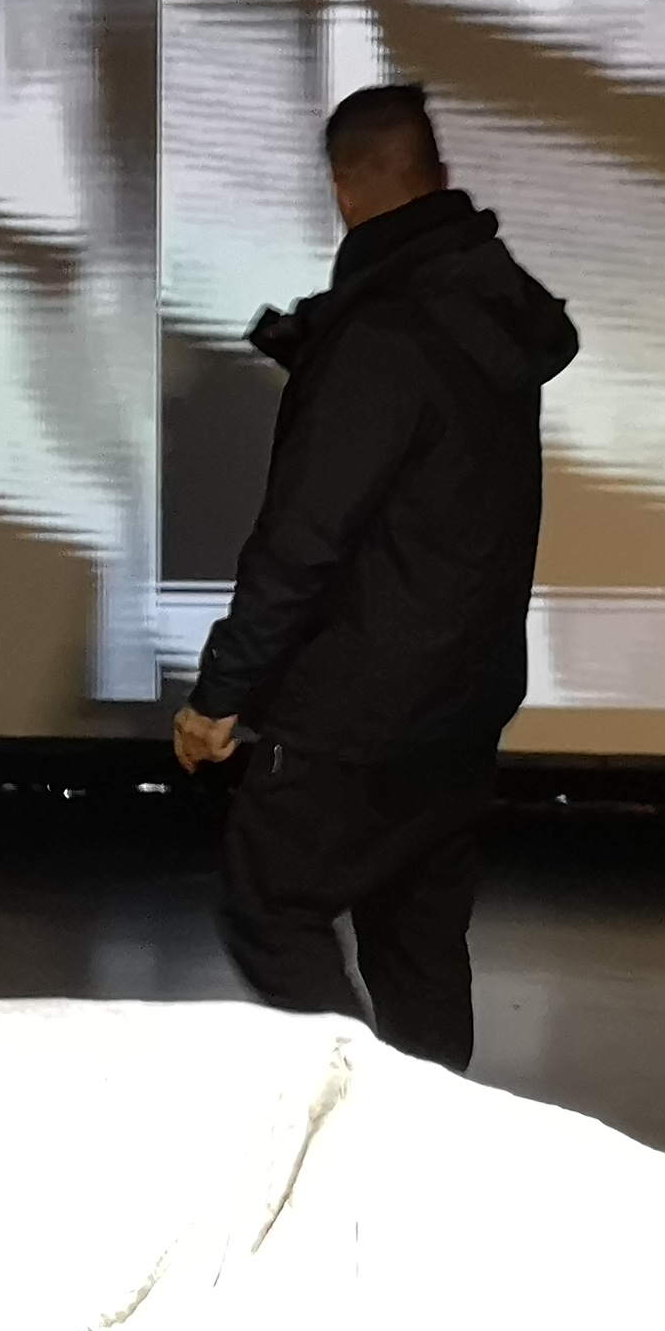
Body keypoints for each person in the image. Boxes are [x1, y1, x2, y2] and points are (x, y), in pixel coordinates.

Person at [176, 82, 578, 1070]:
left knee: (268, 905)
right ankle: (427, 1143)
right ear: (438, 176)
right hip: (462, 695)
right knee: (416, 942)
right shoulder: (481, 305)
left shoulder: (383, 339)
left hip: (362, 706)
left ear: (342, 189)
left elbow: (302, 540)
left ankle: (355, 1110)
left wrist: (219, 697)